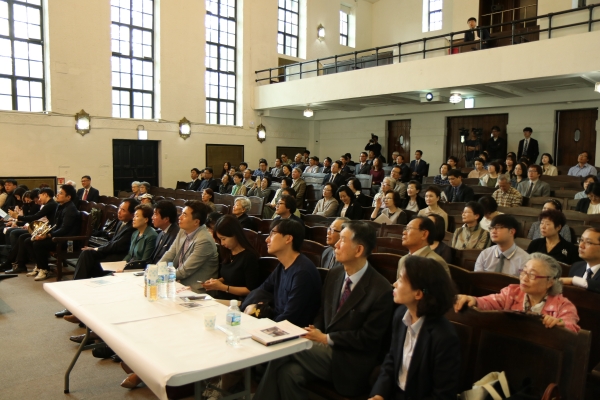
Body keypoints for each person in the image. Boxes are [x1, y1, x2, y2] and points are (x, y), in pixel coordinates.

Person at [254, 221, 394, 400]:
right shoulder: (335, 274)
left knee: (283, 349)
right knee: (288, 373)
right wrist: (316, 330)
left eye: (342, 240)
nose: (336, 244)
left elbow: (369, 338)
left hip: (350, 361)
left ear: (358, 250)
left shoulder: (380, 289)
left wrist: (326, 338)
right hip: (322, 350)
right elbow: (323, 310)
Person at [370, 257, 459, 400]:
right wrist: (379, 394)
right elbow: (391, 360)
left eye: (400, 279)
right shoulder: (400, 315)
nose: (394, 284)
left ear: (418, 293)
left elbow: (442, 395)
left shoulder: (444, 336)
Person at [456, 253, 580, 333]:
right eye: (523, 272)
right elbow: (490, 301)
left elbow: (572, 328)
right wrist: (474, 300)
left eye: (532, 275)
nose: (524, 278)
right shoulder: (512, 292)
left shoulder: (563, 305)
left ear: (550, 282)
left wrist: (560, 323)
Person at [242, 219, 321, 327]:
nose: (267, 240)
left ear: (288, 238)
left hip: (293, 332)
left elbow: (289, 318)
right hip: (276, 323)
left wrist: (264, 326)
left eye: (273, 234)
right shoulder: (283, 265)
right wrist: (248, 306)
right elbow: (261, 291)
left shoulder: (303, 272)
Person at [68, 199, 139, 281]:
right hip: (111, 252)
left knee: (89, 264)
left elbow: (117, 246)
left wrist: (97, 249)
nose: (119, 212)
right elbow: (112, 242)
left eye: (123, 210)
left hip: (119, 256)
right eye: (119, 208)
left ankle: (78, 283)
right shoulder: (121, 222)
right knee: (87, 253)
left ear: (132, 214)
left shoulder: (132, 227)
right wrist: (95, 249)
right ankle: (78, 282)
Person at [159, 201, 219, 293]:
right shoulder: (183, 231)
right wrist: (156, 269)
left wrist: (160, 275)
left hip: (196, 289)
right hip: (179, 283)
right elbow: (170, 253)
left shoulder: (204, 241)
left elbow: (185, 271)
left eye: (184, 215)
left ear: (196, 222)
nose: (180, 217)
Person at [202, 215, 263, 301]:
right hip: (222, 298)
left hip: (237, 301)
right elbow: (229, 276)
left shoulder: (249, 257)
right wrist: (216, 282)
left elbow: (250, 290)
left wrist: (223, 287)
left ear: (235, 235)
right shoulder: (227, 251)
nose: (222, 243)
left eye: (224, 239)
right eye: (220, 240)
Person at [26, 185, 80, 281]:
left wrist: (48, 235)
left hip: (67, 241)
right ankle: (39, 265)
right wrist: (43, 232)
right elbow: (54, 224)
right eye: (58, 192)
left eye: (60, 193)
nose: (57, 195)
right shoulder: (61, 206)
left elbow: (64, 229)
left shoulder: (70, 210)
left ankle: (45, 270)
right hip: (59, 236)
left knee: (38, 244)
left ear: (68, 197)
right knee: (29, 240)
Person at [2, 188, 59, 273]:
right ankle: (18, 263)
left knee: (23, 237)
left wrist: (17, 217)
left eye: (39, 197)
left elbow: (34, 217)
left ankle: (35, 265)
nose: (38, 200)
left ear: (45, 194)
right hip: (44, 228)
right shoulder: (49, 204)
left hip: (50, 231)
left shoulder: (51, 204)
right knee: (22, 237)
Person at [561, 228, 600, 293]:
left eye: (588, 242)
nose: (581, 245)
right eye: (581, 240)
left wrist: (573, 280)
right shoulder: (576, 266)